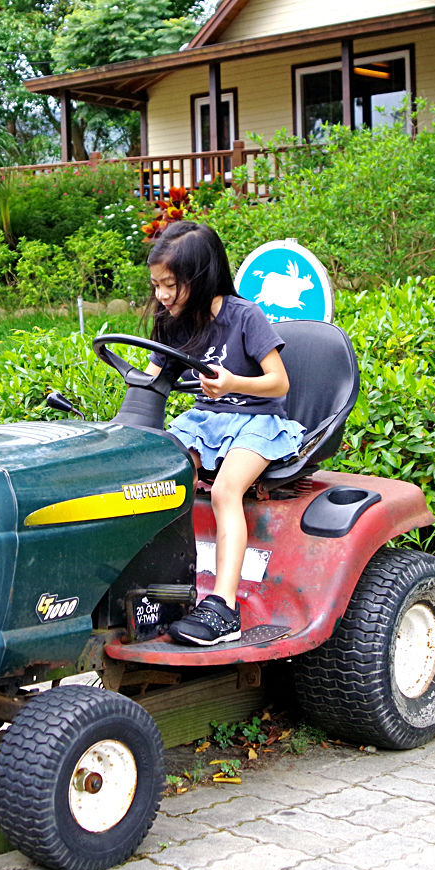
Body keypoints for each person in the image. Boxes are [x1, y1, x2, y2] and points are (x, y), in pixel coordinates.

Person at [146, 222, 303, 646]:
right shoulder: (174, 319)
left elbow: (279, 383)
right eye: (156, 284)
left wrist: (234, 383)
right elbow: (153, 374)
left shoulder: (244, 316)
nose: (160, 295)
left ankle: (224, 607)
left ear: (198, 280)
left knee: (223, 493)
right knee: (156, 477)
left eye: (169, 285)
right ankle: (157, 586)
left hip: (257, 419)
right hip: (206, 420)